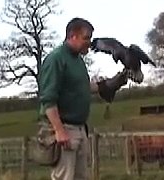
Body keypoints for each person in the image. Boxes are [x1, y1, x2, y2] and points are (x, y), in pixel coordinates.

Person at [38, 17, 128, 180]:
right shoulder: (56, 59)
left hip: (79, 128)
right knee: (65, 177)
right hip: (65, 129)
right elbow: (48, 99)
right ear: (72, 36)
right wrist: (59, 130)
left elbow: (83, 87)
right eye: (86, 38)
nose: (89, 43)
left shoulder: (78, 61)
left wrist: (107, 85)